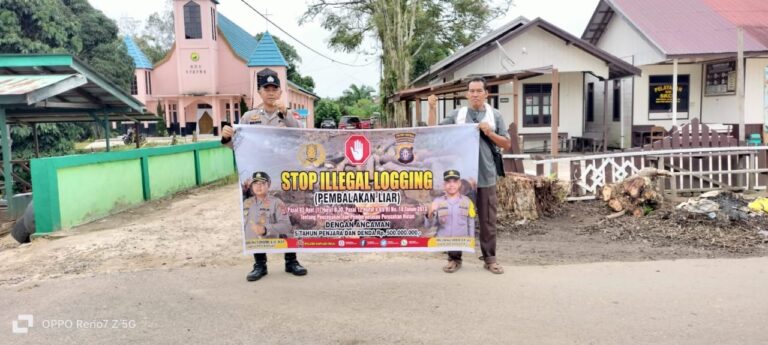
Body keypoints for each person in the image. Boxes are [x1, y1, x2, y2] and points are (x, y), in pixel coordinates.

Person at [222, 68, 307, 282]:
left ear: (280, 92)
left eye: (274, 89)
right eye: (266, 89)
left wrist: (285, 113)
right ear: (259, 92)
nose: (270, 92)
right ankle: (259, 264)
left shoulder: (288, 116)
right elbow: (238, 147)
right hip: (257, 177)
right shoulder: (249, 117)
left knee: (286, 217)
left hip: (282, 175)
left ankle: (291, 261)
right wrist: (226, 138)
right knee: (256, 217)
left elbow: (299, 137)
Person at [427, 77, 511, 274]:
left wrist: (489, 132)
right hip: (460, 178)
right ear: (467, 94)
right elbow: (434, 132)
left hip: (486, 175)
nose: (475, 94)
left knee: (487, 219)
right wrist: (431, 109)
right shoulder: (458, 114)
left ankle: (490, 259)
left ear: (486, 94)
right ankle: (454, 258)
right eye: (471, 91)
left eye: (479, 91)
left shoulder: (494, 115)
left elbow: (506, 144)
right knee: (456, 216)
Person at [425, 170, 476, 273]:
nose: (451, 185)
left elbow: (471, 222)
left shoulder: (467, 201)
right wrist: (430, 213)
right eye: (448, 182)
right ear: (444, 185)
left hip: (460, 240)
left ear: (459, 184)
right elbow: (429, 226)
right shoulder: (437, 201)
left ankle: (455, 260)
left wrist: (471, 239)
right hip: (443, 240)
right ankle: (452, 260)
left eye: (454, 181)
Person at [244, 171, 291, 239]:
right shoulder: (246, 203)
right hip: (250, 246)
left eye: (262, 183)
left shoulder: (277, 202)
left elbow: (286, 226)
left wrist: (266, 229)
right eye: (255, 183)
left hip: (268, 246)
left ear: (268, 185)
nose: (258, 186)